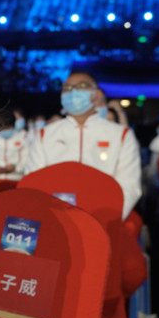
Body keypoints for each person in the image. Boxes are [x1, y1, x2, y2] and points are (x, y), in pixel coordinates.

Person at [25, 70, 142, 219]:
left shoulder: (120, 135)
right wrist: (46, 216)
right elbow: (34, 180)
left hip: (103, 216)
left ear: (96, 94)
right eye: (67, 88)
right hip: (56, 217)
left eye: (82, 86)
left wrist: (111, 217)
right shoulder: (46, 134)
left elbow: (129, 185)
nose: (73, 92)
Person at [0, 107, 28, 182]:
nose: (6, 130)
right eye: (3, 128)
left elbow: (26, 160)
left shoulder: (23, 137)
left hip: (16, 179)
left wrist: (16, 167)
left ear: (13, 125)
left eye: (8, 128)